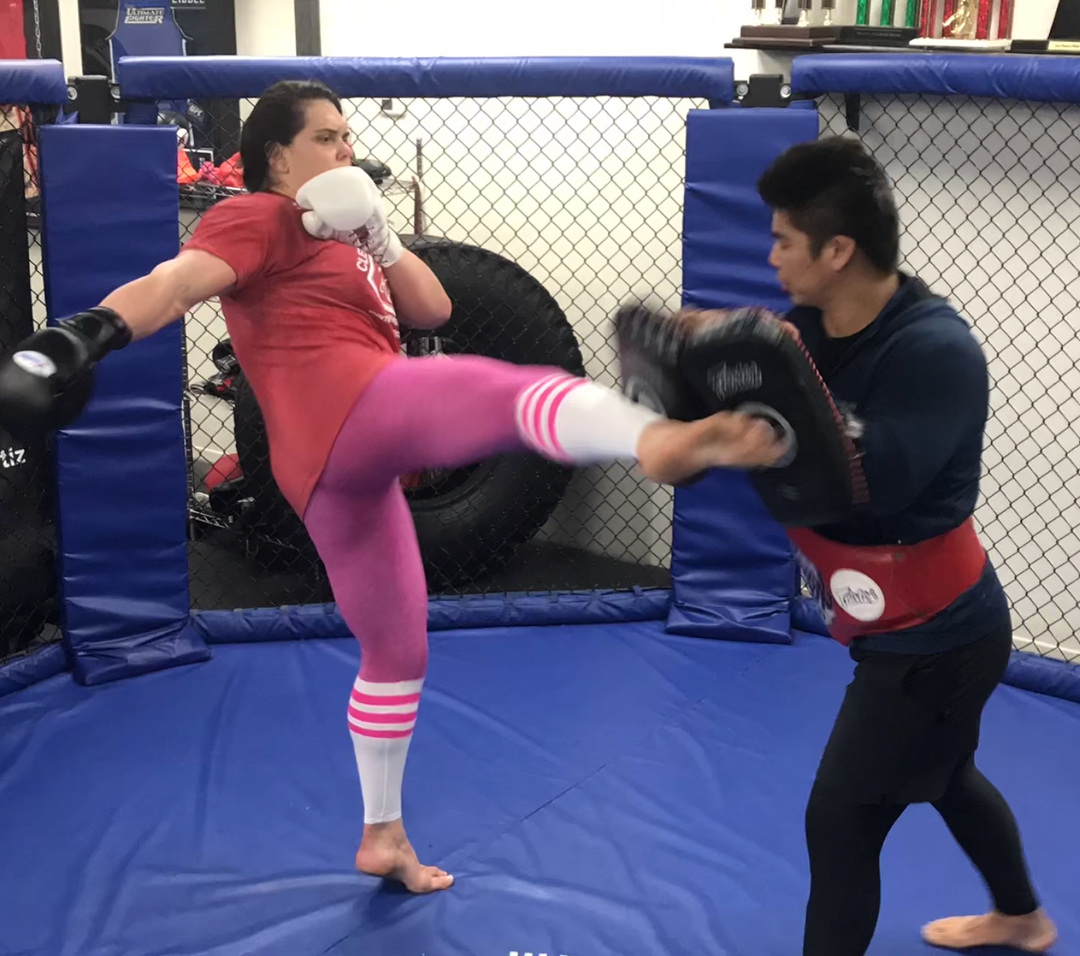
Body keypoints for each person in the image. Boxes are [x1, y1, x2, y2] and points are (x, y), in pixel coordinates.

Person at [0, 79, 783, 894]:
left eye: (347, 136)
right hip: (347, 406)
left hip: (333, 470)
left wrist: (379, 235)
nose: (345, 149)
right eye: (326, 137)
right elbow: (174, 283)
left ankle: (383, 835)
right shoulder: (256, 217)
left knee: (396, 647)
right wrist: (84, 333)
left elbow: (433, 309)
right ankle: (658, 440)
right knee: (512, 392)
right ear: (277, 156)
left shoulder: (346, 232)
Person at [753, 136, 1057, 954]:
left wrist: (752, 435)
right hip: (893, 623)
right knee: (946, 775)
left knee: (841, 818)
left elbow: (869, 487)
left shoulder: (934, 352)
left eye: (784, 240)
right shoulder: (806, 330)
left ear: (837, 250)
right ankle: (1022, 918)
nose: (771, 256)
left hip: (940, 638)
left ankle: (1021, 916)